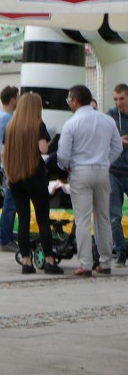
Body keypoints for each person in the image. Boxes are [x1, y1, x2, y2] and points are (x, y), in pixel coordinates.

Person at [57, 84, 123, 276]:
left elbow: (62, 155)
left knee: (83, 219)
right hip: (103, 171)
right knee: (103, 218)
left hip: (80, 171)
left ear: (75, 101)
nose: (69, 103)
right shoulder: (107, 120)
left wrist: (66, 165)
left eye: (69, 100)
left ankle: (85, 264)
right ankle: (105, 262)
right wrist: (105, 161)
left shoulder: (71, 124)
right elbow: (117, 147)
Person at [2, 93, 63, 275]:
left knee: (23, 221)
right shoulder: (37, 124)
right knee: (43, 221)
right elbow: (43, 148)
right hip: (35, 176)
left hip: (16, 178)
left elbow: (4, 153)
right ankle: (50, 261)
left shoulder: (10, 126)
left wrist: (8, 174)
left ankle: (26, 262)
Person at [106, 83, 128, 267]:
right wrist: (117, 141)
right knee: (114, 215)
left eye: (122, 98)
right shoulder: (111, 116)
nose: (118, 103)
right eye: (115, 99)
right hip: (114, 170)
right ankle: (120, 251)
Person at [0, 85, 20, 253]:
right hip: (12, 165)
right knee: (10, 204)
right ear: (12, 100)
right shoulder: (7, 119)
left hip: (9, 164)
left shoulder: (2, 116)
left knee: (11, 203)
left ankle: (6, 237)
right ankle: (5, 239)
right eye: (18, 98)